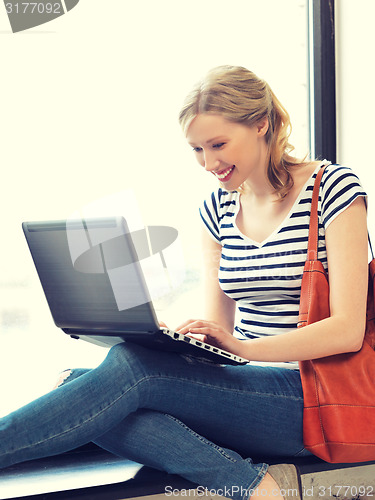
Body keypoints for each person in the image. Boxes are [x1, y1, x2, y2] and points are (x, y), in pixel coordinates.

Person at [0, 65, 368, 500]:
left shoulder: (333, 188)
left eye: (218, 144)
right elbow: (220, 328)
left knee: (128, 370)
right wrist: (184, 343)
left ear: (261, 124)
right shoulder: (216, 209)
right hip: (247, 383)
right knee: (75, 382)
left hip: (309, 395)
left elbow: (348, 330)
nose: (209, 163)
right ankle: (252, 485)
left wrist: (244, 349)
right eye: (197, 149)